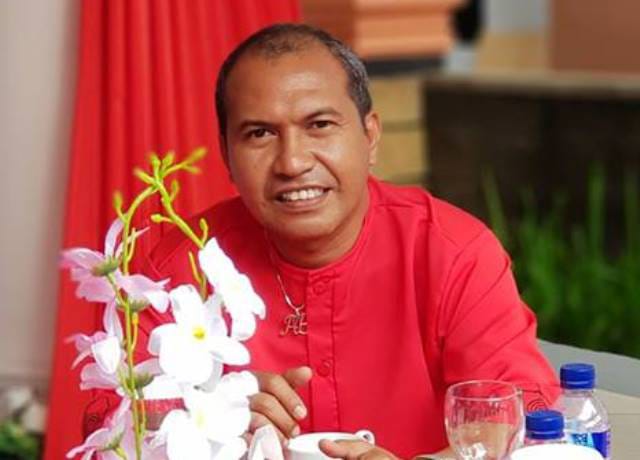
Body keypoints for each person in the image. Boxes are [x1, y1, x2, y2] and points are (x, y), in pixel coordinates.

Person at [141, 23, 559, 459]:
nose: (292, 162)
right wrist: (204, 414)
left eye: (320, 125)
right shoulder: (178, 269)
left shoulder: (452, 253)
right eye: (260, 133)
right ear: (227, 154)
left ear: (370, 136)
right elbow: (112, 417)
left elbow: (518, 412)